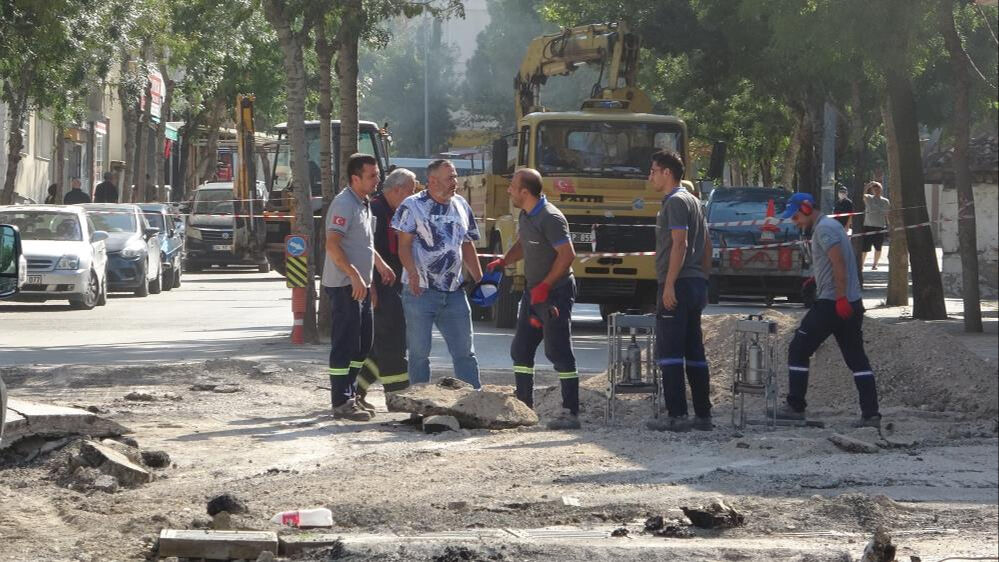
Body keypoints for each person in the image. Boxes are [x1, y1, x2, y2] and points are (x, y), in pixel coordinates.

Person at [777, 192, 881, 427]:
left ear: (805, 209)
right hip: (850, 304)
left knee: (798, 349)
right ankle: (871, 413)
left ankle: (795, 406)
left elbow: (838, 263)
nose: (795, 223)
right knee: (856, 359)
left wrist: (840, 297)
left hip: (833, 304)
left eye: (795, 217)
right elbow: (833, 262)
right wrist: (816, 280)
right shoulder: (833, 226)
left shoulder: (824, 229)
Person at [487, 168, 580, 430]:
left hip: (555, 294)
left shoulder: (550, 218)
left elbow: (567, 255)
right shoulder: (527, 214)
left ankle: (570, 412)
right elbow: (523, 244)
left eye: (512, 187)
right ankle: (524, 407)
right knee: (521, 349)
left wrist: (546, 286)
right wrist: (505, 260)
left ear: (525, 192)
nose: (509, 191)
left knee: (558, 351)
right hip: (533, 292)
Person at [392, 159, 483, 388]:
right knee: (419, 353)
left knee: (465, 352)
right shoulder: (412, 206)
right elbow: (403, 246)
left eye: (455, 176)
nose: (456, 182)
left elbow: (467, 244)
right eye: (450, 177)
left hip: (455, 292)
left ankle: (472, 400)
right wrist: (412, 272)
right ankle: (420, 405)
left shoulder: (461, 204)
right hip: (420, 291)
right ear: (432, 181)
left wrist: (481, 279)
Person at [323, 153, 396, 421]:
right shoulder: (344, 204)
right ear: (355, 178)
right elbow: (332, 244)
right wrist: (353, 275)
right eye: (372, 176)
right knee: (345, 346)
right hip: (345, 286)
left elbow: (364, 243)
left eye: (377, 174)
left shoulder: (364, 203)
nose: (378, 180)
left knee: (363, 346)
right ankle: (340, 401)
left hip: (361, 286)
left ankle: (352, 394)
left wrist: (380, 264)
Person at [646, 150, 713, 433]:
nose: (650, 177)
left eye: (653, 171)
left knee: (670, 351)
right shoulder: (695, 201)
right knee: (694, 351)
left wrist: (670, 284)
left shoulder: (674, 202)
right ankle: (702, 415)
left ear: (667, 173)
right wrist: (704, 279)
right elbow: (708, 246)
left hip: (679, 283)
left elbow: (680, 244)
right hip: (695, 282)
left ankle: (676, 415)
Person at [354, 168, 417, 412]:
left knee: (381, 345)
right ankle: (397, 397)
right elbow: (365, 250)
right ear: (397, 190)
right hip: (380, 287)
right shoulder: (376, 211)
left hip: (394, 286)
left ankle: (356, 389)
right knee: (393, 343)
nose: (413, 196)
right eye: (410, 191)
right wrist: (372, 289)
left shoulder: (396, 212)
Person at [861, 181, 890, 270]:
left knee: (878, 247)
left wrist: (889, 225)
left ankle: (875, 264)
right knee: (865, 248)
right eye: (874, 188)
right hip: (868, 227)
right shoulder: (868, 198)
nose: (876, 190)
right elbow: (861, 195)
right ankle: (861, 264)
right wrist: (868, 186)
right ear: (872, 190)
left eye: (878, 188)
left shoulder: (885, 201)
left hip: (880, 227)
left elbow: (887, 214)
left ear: (881, 190)